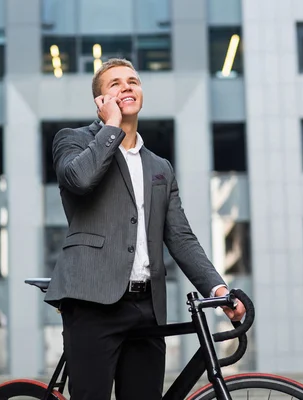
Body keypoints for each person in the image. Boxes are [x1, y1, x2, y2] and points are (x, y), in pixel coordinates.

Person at [45, 58, 246, 400]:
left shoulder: (160, 168)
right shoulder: (73, 141)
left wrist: (216, 287)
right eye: (115, 84)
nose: (126, 87)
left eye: (133, 81)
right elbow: (78, 179)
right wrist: (111, 127)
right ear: (100, 101)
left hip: (146, 307)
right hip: (91, 300)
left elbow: (180, 237)